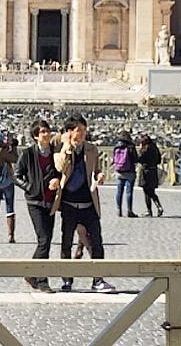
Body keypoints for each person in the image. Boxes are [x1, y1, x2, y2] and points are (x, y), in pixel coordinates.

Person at [52, 114, 114, 292]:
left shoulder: (91, 149)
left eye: (85, 130)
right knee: (66, 243)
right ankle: (67, 279)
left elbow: (96, 170)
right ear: (69, 132)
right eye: (79, 130)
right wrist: (68, 146)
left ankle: (98, 279)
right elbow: (60, 167)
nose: (83, 134)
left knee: (97, 243)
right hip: (69, 204)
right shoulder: (61, 148)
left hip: (89, 203)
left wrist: (100, 175)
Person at [14, 119, 61, 293]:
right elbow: (17, 176)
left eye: (48, 131)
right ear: (35, 136)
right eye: (42, 132)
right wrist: (30, 187)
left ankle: (31, 274)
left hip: (51, 201)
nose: (47, 134)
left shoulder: (55, 153)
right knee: (43, 239)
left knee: (46, 240)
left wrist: (58, 179)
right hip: (35, 202)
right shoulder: (27, 154)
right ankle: (41, 279)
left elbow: (60, 170)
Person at [113, 130, 138, 217]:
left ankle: (118, 210)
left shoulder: (116, 146)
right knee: (129, 192)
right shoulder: (131, 146)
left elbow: (114, 159)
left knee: (119, 191)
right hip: (130, 171)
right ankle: (129, 210)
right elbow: (135, 159)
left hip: (119, 171)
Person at [137, 134, 164, 217]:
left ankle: (149, 210)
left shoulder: (145, 149)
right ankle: (158, 206)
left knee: (147, 192)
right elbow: (159, 160)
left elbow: (140, 159)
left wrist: (140, 150)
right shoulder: (155, 148)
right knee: (151, 191)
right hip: (153, 171)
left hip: (146, 171)